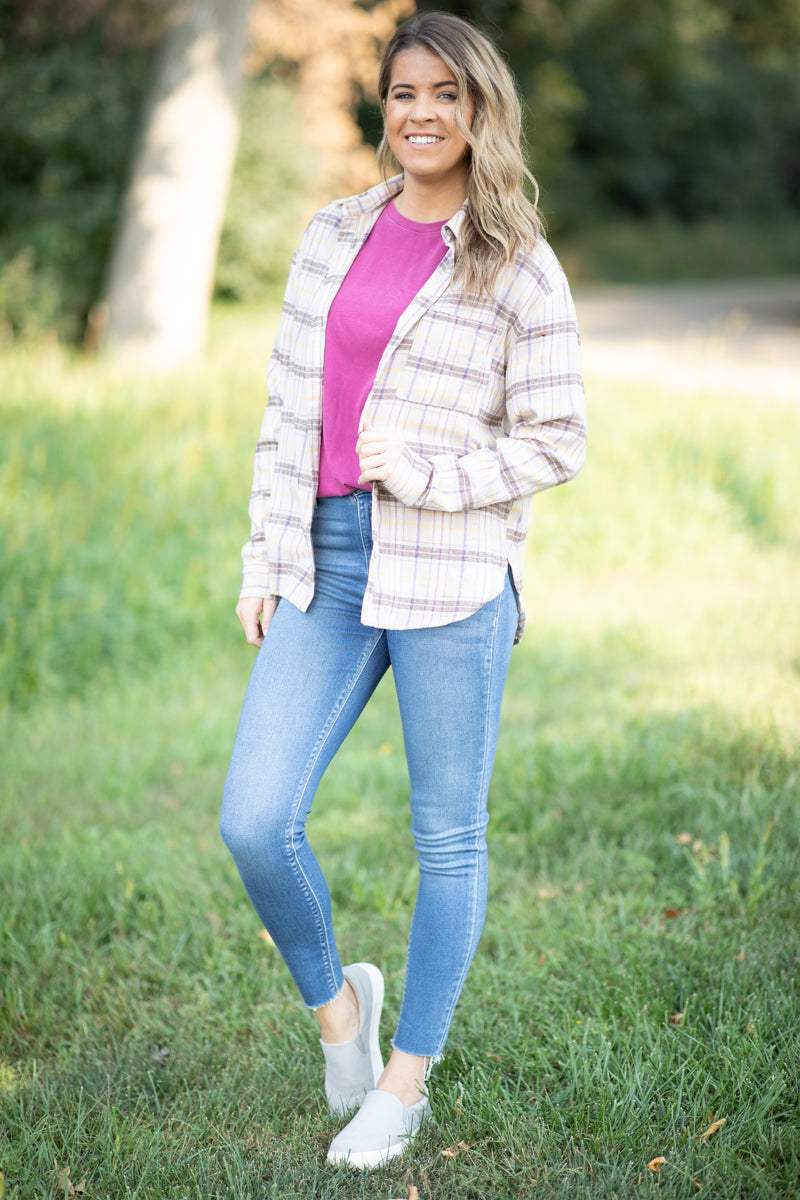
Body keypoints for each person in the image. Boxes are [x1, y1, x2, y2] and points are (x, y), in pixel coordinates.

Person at [220, 10, 586, 1170]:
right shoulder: (334, 232)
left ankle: (403, 1084)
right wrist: (264, 555)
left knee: (447, 838)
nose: (422, 114)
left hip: (453, 574)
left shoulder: (514, 259)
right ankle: (341, 1014)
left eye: (446, 94)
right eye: (403, 93)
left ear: (481, 109)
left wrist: (431, 476)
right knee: (253, 818)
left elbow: (555, 439)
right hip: (326, 558)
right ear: (385, 108)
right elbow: (288, 410)